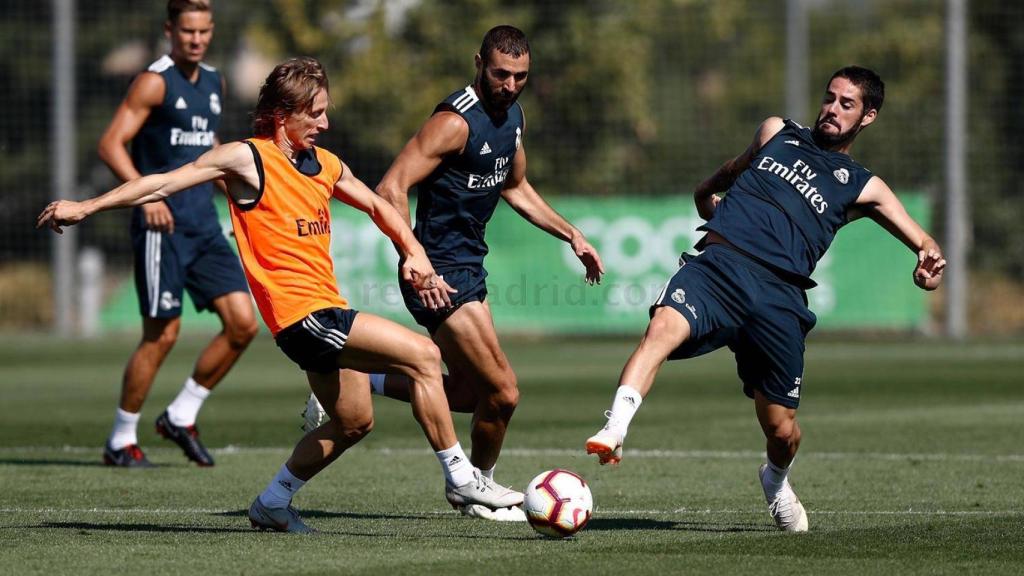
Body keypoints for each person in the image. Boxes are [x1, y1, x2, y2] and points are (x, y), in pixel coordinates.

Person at [39, 56, 523, 533]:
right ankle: (462, 480)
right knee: (423, 356)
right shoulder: (246, 159)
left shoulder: (325, 164)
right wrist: (87, 207)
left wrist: (413, 252)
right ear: (281, 114)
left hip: (324, 312)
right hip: (302, 317)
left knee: (354, 422)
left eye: (325, 112)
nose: (325, 124)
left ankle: (272, 502)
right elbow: (161, 183)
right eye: (315, 114)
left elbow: (378, 205)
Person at [584, 66, 946, 532]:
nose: (832, 109)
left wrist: (928, 266)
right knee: (661, 329)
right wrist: (705, 191)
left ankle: (775, 480)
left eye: (847, 104)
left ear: (868, 116)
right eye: (829, 97)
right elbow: (732, 170)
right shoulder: (777, 132)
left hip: (780, 298)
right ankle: (614, 429)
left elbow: (925, 244)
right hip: (720, 267)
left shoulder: (862, 184)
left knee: (781, 428)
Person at [350, 25, 604, 521]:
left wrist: (571, 234)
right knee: (504, 392)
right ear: (479, 64)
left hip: (468, 267)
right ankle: (475, 488)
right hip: (439, 274)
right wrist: (414, 259)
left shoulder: (513, 117)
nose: (510, 85)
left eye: (520, 76)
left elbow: (516, 186)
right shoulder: (453, 122)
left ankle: (359, 378)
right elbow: (390, 187)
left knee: (472, 393)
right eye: (501, 74)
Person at [95, 0, 257, 467]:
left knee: (243, 324)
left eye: (204, 31)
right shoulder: (154, 81)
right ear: (170, 30)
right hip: (160, 227)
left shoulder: (214, 81)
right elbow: (110, 144)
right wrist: (146, 197)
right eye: (188, 31)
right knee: (163, 334)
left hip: (203, 224)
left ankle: (181, 415)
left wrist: (236, 196)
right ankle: (120, 440)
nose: (197, 39)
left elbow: (210, 148)